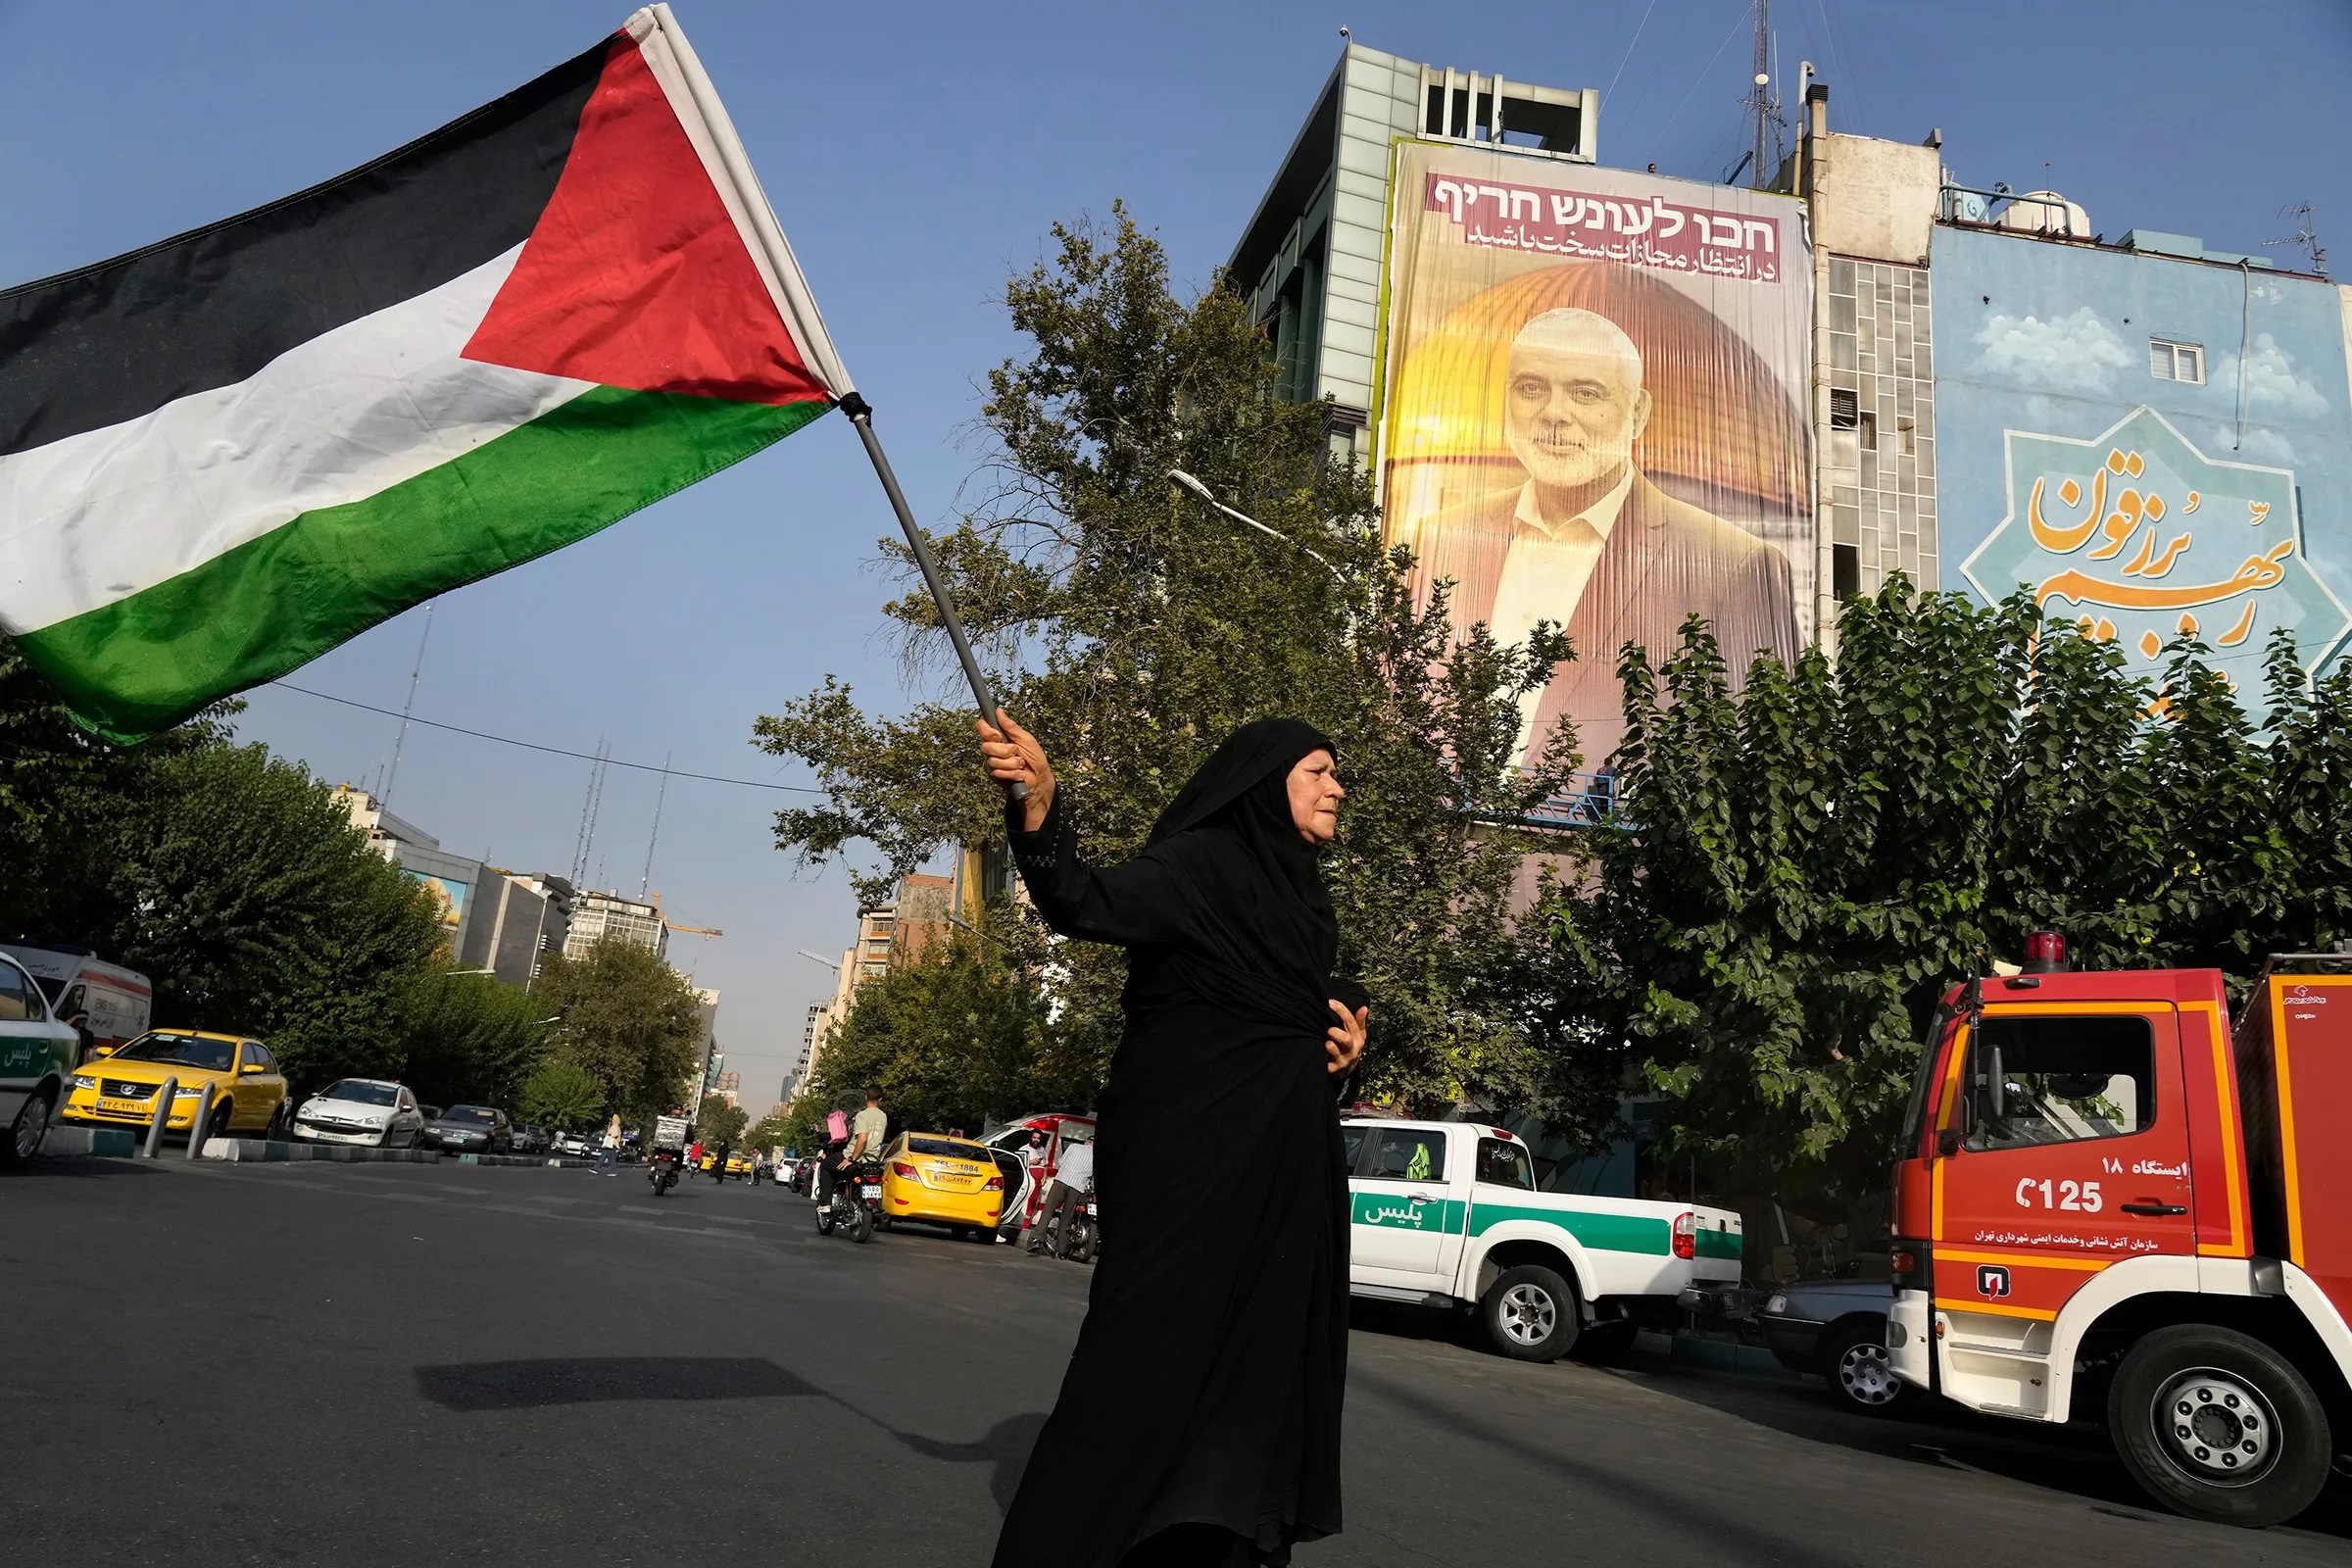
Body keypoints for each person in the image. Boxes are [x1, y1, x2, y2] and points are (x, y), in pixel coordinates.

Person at [978, 710, 1368, 1568]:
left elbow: (1275, 1021)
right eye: (1318, 771)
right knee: (1137, 1373)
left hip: (1281, 1182)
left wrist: (1340, 1057)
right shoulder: (1199, 866)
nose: (1337, 788)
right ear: (1263, 786)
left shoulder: (1306, 901)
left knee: (1258, 1387)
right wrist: (1040, 808)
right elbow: (1082, 899)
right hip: (1187, 1173)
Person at [1411, 307, 1797, 768]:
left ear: (1638, 414)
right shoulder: (1439, 540)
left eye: (1585, 393)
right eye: (1531, 388)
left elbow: (1765, 759)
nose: (1554, 414)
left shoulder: (1734, 566)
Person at [1024, 1133, 1095, 1258]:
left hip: (1061, 1181)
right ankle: (1060, 1251)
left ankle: (1036, 1240)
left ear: (1086, 1142)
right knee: (1067, 1217)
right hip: (1077, 1187)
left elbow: (1062, 1162)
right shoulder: (1096, 1157)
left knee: (1048, 1211)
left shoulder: (1073, 1146)